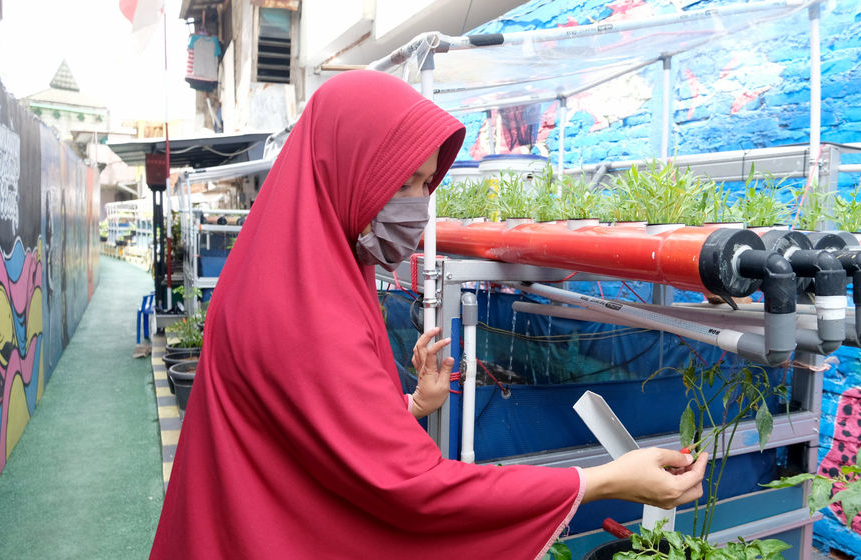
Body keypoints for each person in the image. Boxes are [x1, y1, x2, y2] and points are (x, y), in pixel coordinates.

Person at [149, 70, 707, 560]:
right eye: (403, 182)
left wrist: (410, 405)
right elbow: (413, 488)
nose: (417, 206)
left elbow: (304, 423)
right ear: (344, 168)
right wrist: (602, 480)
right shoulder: (307, 308)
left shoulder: (294, 262)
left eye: (425, 184)